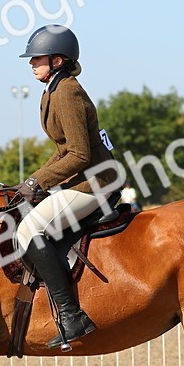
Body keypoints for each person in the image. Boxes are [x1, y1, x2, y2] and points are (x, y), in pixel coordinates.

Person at [15, 25, 119, 349]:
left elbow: (79, 154)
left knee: (29, 231)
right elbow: (63, 151)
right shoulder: (54, 90)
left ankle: (72, 317)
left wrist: (39, 181)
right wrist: (33, 178)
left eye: (37, 58)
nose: (31, 63)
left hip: (95, 183)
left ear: (57, 60)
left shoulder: (68, 92)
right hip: (81, 178)